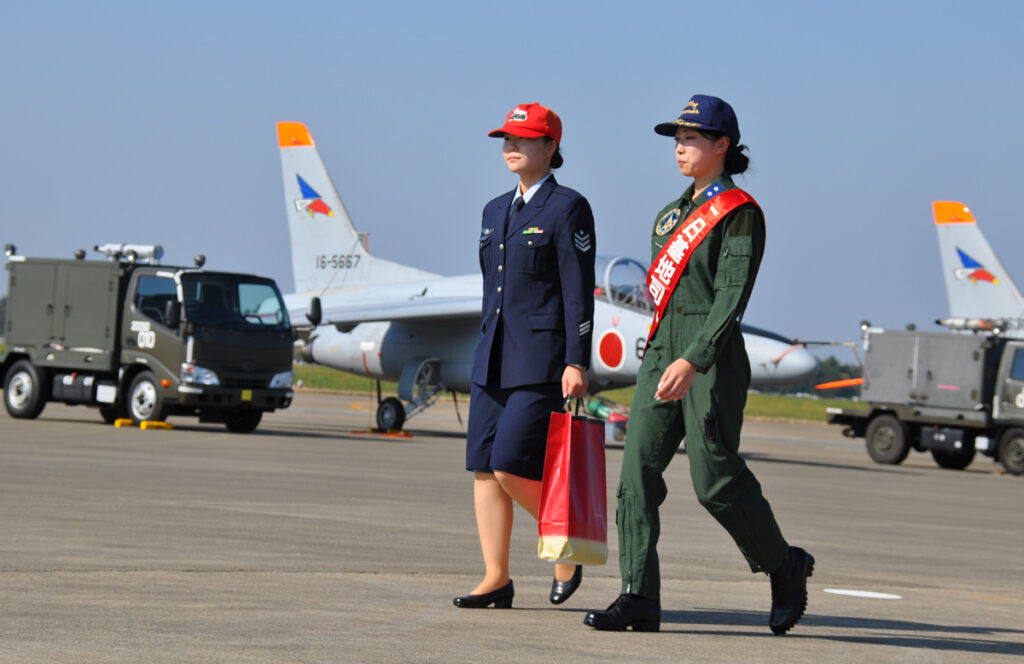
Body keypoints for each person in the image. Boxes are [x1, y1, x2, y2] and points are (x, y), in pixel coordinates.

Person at [583, 95, 814, 635]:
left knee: (713, 481)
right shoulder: (670, 215)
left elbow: (730, 299)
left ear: (721, 145)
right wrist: (669, 354)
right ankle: (638, 596)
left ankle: (784, 564)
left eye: (690, 138)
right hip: (662, 353)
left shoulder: (739, 213)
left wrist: (693, 357)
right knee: (636, 477)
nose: (679, 148)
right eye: (677, 139)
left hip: (710, 358)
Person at [453, 102, 596, 609]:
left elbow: (577, 291)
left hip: (540, 361)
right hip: (491, 357)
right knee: (483, 469)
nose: (511, 146)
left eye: (524, 138)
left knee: (510, 464)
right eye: (506, 139)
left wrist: (577, 360)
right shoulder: (494, 210)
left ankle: (568, 542)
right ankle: (496, 578)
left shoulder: (567, 207)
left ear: (551, 146)